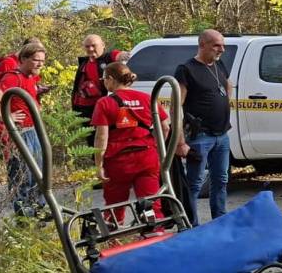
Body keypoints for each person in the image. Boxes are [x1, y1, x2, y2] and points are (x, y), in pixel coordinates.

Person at [90, 62, 172, 224]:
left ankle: (115, 241)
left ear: (111, 79)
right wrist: (155, 147)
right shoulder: (147, 98)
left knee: (115, 207)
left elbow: (101, 138)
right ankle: (154, 236)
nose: (103, 82)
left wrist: (98, 165)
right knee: (150, 204)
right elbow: (165, 126)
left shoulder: (105, 103)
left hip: (118, 162)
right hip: (146, 157)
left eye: (104, 79)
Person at [174, 29, 231, 226]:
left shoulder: (219, 65)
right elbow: (176, 106)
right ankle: (190, 224)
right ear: (202, 45)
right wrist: (180, 141)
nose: (221, 49)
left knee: (221, 180)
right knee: (195, 183)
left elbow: (226, 88)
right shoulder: (186, 69)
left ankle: (220, 220)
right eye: (216, 45)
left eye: (222, 45)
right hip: (200, 137)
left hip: (222, 135)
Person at [0, 42, 47, 217]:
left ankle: (38, 214)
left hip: (32, 131)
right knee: (22, 177)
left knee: (38, 175)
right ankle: (24, 219)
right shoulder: (13, 77)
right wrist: (7, 118)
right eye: (36, 60)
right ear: (24, 59)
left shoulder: (30, 77)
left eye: (42, 60)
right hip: (19, 134)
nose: (40, 64)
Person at [72, 34, 130, 147]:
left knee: (104, 140)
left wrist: (124, 55)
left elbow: (118, 55)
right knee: (91, 142)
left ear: (103, 45)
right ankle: (96, 163)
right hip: (86, 111)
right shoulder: (84, 63)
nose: (90, 49)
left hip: (103, 108)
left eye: (93, 45)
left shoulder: (108, 58)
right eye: (87, 46)